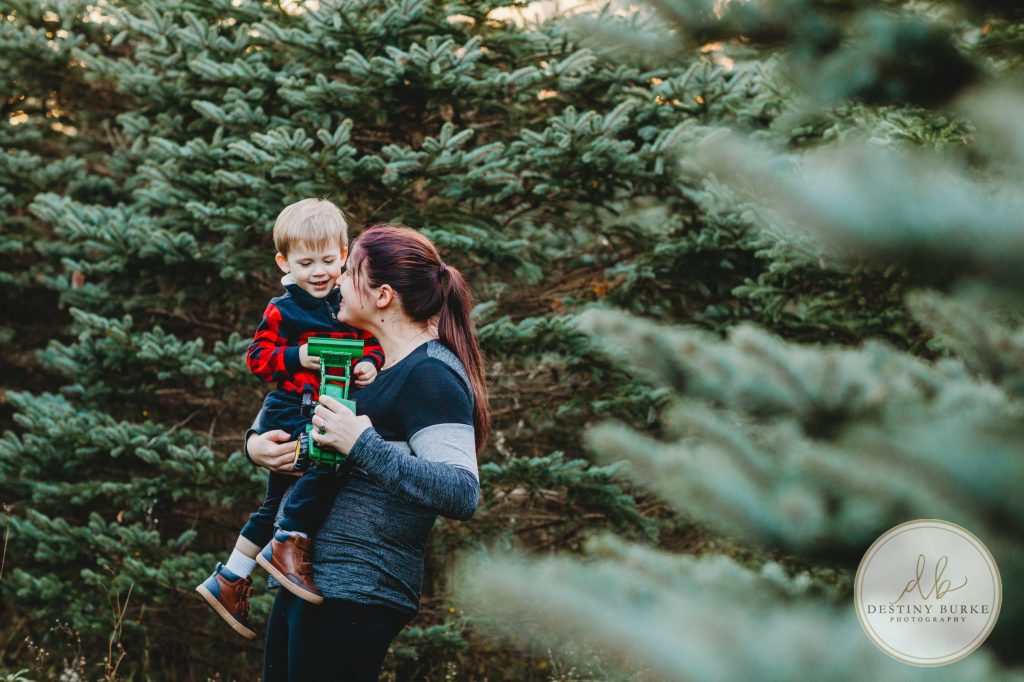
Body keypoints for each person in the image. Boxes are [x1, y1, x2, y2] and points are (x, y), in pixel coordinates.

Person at [246, 224, 488, 681]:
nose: (335, 281)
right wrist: (255, 445)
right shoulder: (372, 367)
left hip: (359, 589)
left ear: (381, 296)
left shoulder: (430, 374)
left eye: (349, 272)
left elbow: (461, 490)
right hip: (313, 581)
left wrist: (361, 444)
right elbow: (299, 416)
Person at [196, 199, 385, 639]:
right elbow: (257, 358)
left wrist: (370, 364)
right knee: (329, 460)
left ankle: (230, 577)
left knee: (272, 502)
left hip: (331, 403)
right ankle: (289, 541)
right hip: (292, 407)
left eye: (328, 260)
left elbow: (373, 341)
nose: (319, 271)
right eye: (306, 262)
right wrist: (297, 355)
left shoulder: (348, 304)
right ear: (285, 262)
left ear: (343, 254)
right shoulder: (283, 309)